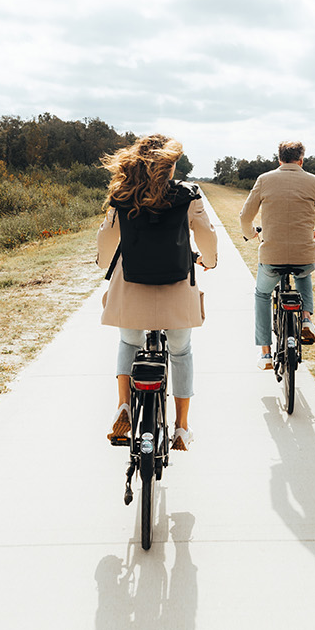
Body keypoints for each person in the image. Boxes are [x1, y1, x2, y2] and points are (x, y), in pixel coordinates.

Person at [96, 134, 217, 451]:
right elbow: (206, 234)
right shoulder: (188, 195)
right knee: (180, 351)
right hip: (176, 291)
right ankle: (181, 427)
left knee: (128, 341)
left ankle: (124, 405)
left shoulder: (123, 195)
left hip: (132, 289)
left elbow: (106, 241)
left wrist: (104, 263)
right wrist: (210, 261)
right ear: (171, 165)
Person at [238, 140, 315, 369]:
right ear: (301, 160)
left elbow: (244, 217)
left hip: (272, 257)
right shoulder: (314, 181)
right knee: (303, 275)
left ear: (279, 159)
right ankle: (307, 319)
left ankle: (265, 353)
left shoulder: (265, 179)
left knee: (262, 294)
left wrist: (252, 234)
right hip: (304, 255)